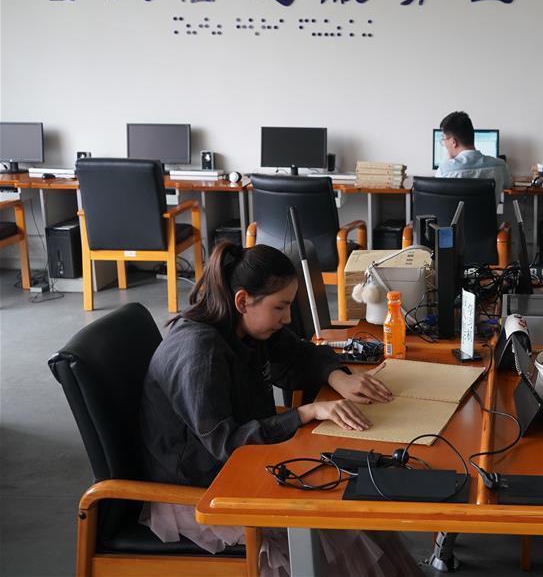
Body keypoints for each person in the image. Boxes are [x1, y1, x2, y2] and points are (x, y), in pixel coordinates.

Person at [139, 241, 422, 577]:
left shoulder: (241, 326)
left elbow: (298, 354)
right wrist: (307, 412)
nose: (287, 318)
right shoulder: (199, 354)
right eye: (280, 307)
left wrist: (338, 378)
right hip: (197, 490)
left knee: (351, 508)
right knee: (329, 521)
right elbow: (226, 443)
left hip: (236, 467)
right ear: (243, 300)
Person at [435, 110, 511, 205]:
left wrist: (450, 161)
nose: (444, 144)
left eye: (444, 139)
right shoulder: (500, 165)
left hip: (454, 220)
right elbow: (509, 184)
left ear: (453, 142)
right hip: (487, 220)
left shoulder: (444, 170)